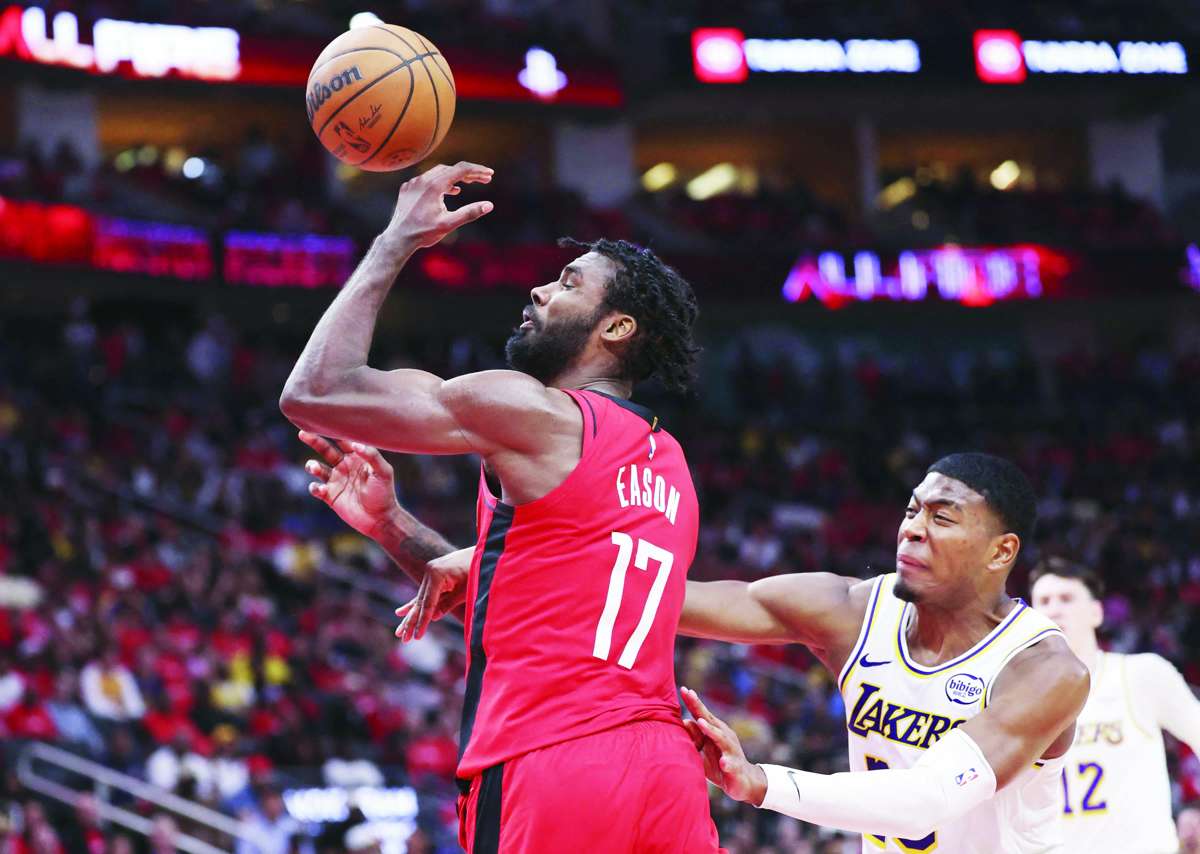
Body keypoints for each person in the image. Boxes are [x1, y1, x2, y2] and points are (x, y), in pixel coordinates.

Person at [280, 161, 720, 853]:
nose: (540, 289)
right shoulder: (670, 464)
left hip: (553, 758)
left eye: (569, 283)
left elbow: (316, 391)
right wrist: (391, 524)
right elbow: (533, 610)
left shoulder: (530, 410)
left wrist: (396, 240)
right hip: (666, 773)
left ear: (616, 327)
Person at [351, 451, 1090, 851]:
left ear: (1002, 552)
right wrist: (414, 534)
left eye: (943, 517)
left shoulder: (1044, 670)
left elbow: (927, 800)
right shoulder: (848, 610)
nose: (913, 527)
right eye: (910, 509)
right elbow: (625, 599)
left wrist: (762, 782)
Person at [1030, 556, 1200, 854]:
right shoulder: (1018, 699)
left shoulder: (1141, 674)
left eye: (1066, 598)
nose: (1054, 609)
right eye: (1043, 601)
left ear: (1096, 612)